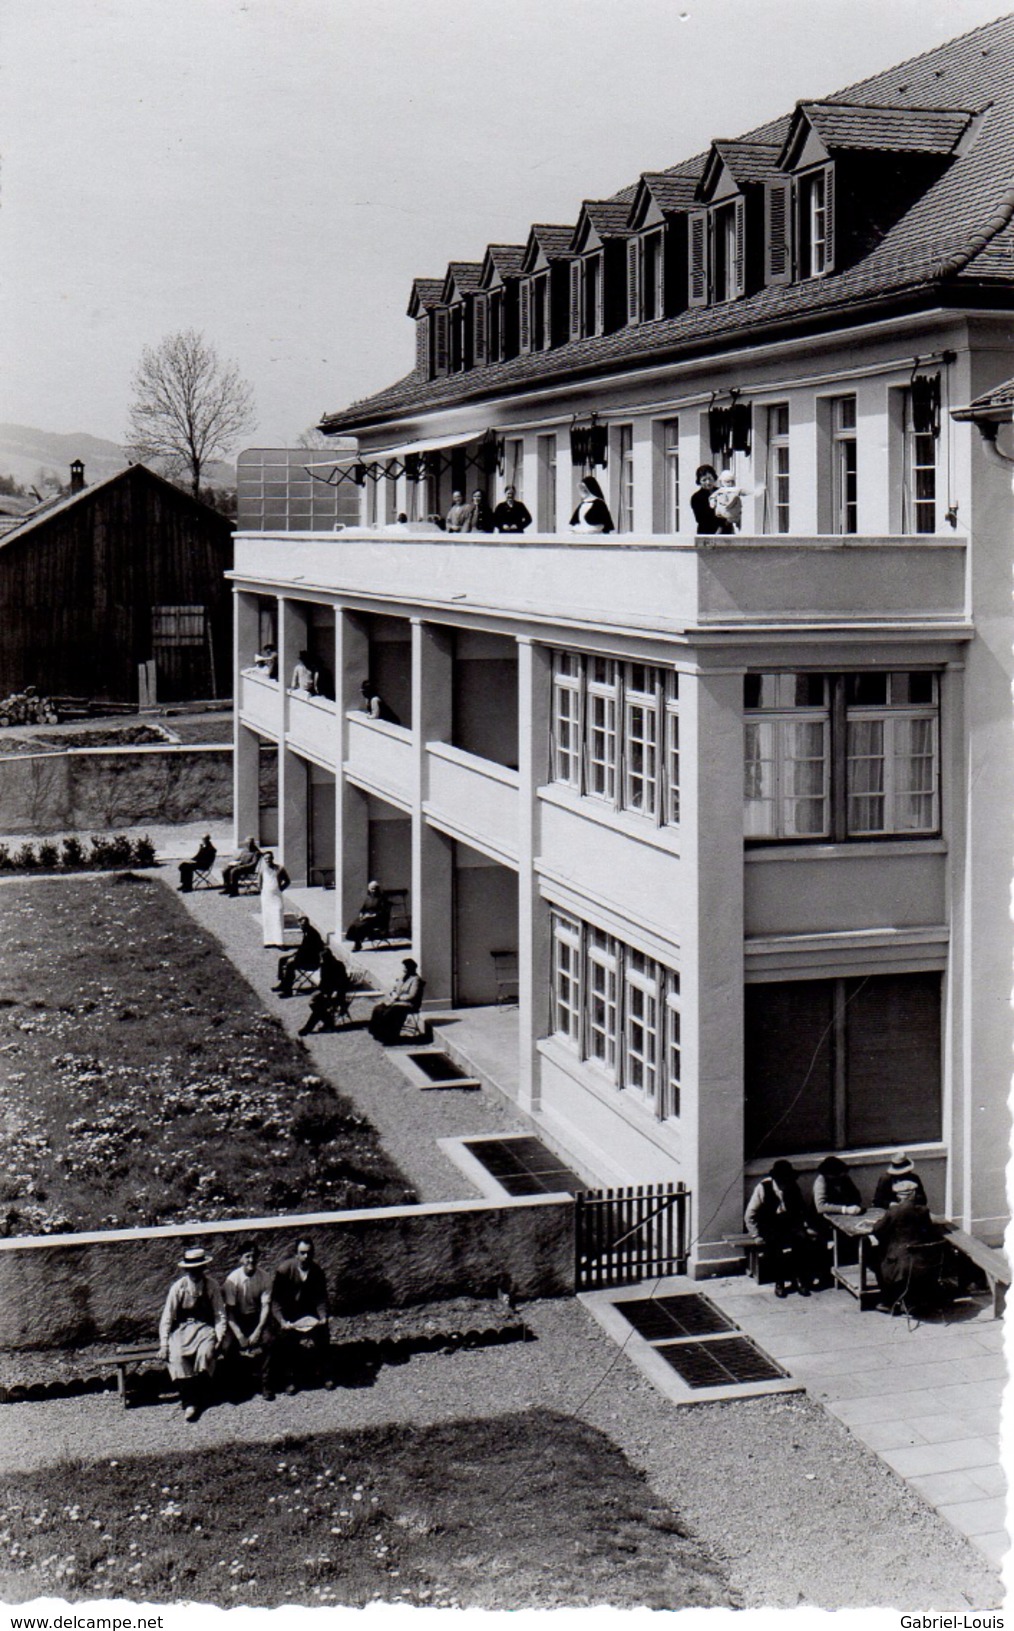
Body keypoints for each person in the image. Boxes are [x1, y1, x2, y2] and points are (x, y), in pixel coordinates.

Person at [158, 1246, 227, 1422]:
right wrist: (164, 1344)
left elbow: (219, 1314)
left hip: (204, 1329)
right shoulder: (179, 1288)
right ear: (186, 1270)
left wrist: (219, 1337)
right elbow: (167, 1316)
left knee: (206, 1354)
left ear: (204, 1268)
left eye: (198, 1268)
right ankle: (189, 1402)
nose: (195, 1272)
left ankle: (200, 1396)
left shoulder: (211, 1286)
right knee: (178, 1356)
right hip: (182, 1330)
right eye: (191, 1269)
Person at [744, 1159, 819, 1298]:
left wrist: (807, 1227)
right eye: (782, 1180)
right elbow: (750, 1215)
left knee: (802, 1241)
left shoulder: (793, 1186)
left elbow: (801, 1209)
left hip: (789, 1223)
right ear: (775, 1179)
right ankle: (780, 1282)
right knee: (774, 1246)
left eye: (787, 1180)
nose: (784, 1184)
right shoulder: (763, 1187)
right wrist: (755, 1235)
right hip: (769, 1224)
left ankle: (799, 1279)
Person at [871, 1180, 946, 1313]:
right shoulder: (923, 1210)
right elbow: (928, 1231)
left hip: (901, 1264)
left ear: (898, 1196)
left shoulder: (894, 1211)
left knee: (876, 1259)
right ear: (913, 1194)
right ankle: (911, 1300)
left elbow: (877, 1230)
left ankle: (888, 1301)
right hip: (923, 1261)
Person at [269, 1237, 332, 1394]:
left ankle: (324, 1374)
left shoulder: (317, 1271)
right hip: (290, 1316)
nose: (306, 1257)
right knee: (285, 1338)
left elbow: (321, 1298)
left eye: (309, 1253)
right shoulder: (284, 1271)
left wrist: (323, 1316)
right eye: (302, 1253)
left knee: (324, 1334)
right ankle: (290, 1378)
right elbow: (275, 1302)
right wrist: (282, 1320)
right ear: (296, 1254)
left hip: (309, 1315)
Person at [222, 1240, 275, 1399]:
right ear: (241, 1259)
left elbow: (266, 1307)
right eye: (247, 1257)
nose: (251, 1260)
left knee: (270, 1340)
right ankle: (240, 1383)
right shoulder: (232, 1280)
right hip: (237, 1320)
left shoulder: (265, 1277)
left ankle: (266, 1383)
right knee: (227, 1345)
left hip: (257, 1319)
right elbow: (229, 1312)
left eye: (254, 1256)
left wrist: (258, 1331)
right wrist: (239, 1335)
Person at [298, 948, 354, 1036]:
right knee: (315, 1005)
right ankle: (327, 1023)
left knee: (316, 1006)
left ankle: (313, 1027)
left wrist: (324, 993)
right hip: (330, 993)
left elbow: (338, 983)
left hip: (336, 995)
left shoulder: (328, 967)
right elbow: (325, 984)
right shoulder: (338, 964)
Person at [368, 957, 424, 1044]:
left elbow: (412, 995)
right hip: (397, 1001)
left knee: (390, 1012)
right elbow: (395, 988)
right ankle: (378, 1033)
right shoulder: (403, 977)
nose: (403, 970)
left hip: (409, 1004)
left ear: (410, 968)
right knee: (378, 1009)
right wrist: (393, 994)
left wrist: (399, 998)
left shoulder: (416, 980)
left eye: (405, 968)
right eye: (403, 968)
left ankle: (390, 1036)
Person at [273, 915, 324, 997]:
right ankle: (283, 984)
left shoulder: (311, 935)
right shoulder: (307, 932)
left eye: (301, 925)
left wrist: (294, 958)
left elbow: (307, 952)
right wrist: (292, 956)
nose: (300, 927)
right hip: (305, 958)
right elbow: (302, 950)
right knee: (282, 960)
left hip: (311, 961)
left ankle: (287, 990)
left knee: (290, 965)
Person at [811, 1155, 865, 1233]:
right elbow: (820, 1206)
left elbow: (856, 1195)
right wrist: (845, 1209)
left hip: (845, 1217)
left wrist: (854, 1206)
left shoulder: (844, 1178)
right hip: (823, 1219)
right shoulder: (821, 1182)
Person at [258, 850, 290, 949]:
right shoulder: (262, 869)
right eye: (265, 859)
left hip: (276, 897)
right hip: (266, 897)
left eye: (269, 858)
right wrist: (263, 891)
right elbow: (260, 883)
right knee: (267, 917)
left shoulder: (279, 869)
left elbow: (287, 881)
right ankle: (269, 941)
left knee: (277, 916)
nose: (268, 860)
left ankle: (280, 942)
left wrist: (280, 889)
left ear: (273, 858)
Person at [345, 880, 388, 951]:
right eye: (372, 889)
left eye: (375, 889)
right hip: (366, 917)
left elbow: (383, 912)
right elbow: (363, 909)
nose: (373, 891)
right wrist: (361, 914)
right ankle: (357, 941)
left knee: (361, 926)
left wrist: (371, 916)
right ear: (369, 889)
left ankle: (357, 944)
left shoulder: (381, 899)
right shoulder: (368, 898)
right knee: (354, 924)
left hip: (376, 919)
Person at [690, 465, 732, 534]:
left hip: (725, 531)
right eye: (704, 480)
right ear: (699, 481)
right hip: (707, 532)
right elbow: (701, 519)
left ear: (714, 478)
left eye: (710, 478)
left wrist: (721, 527)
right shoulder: (696, 498)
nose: (708, 482)